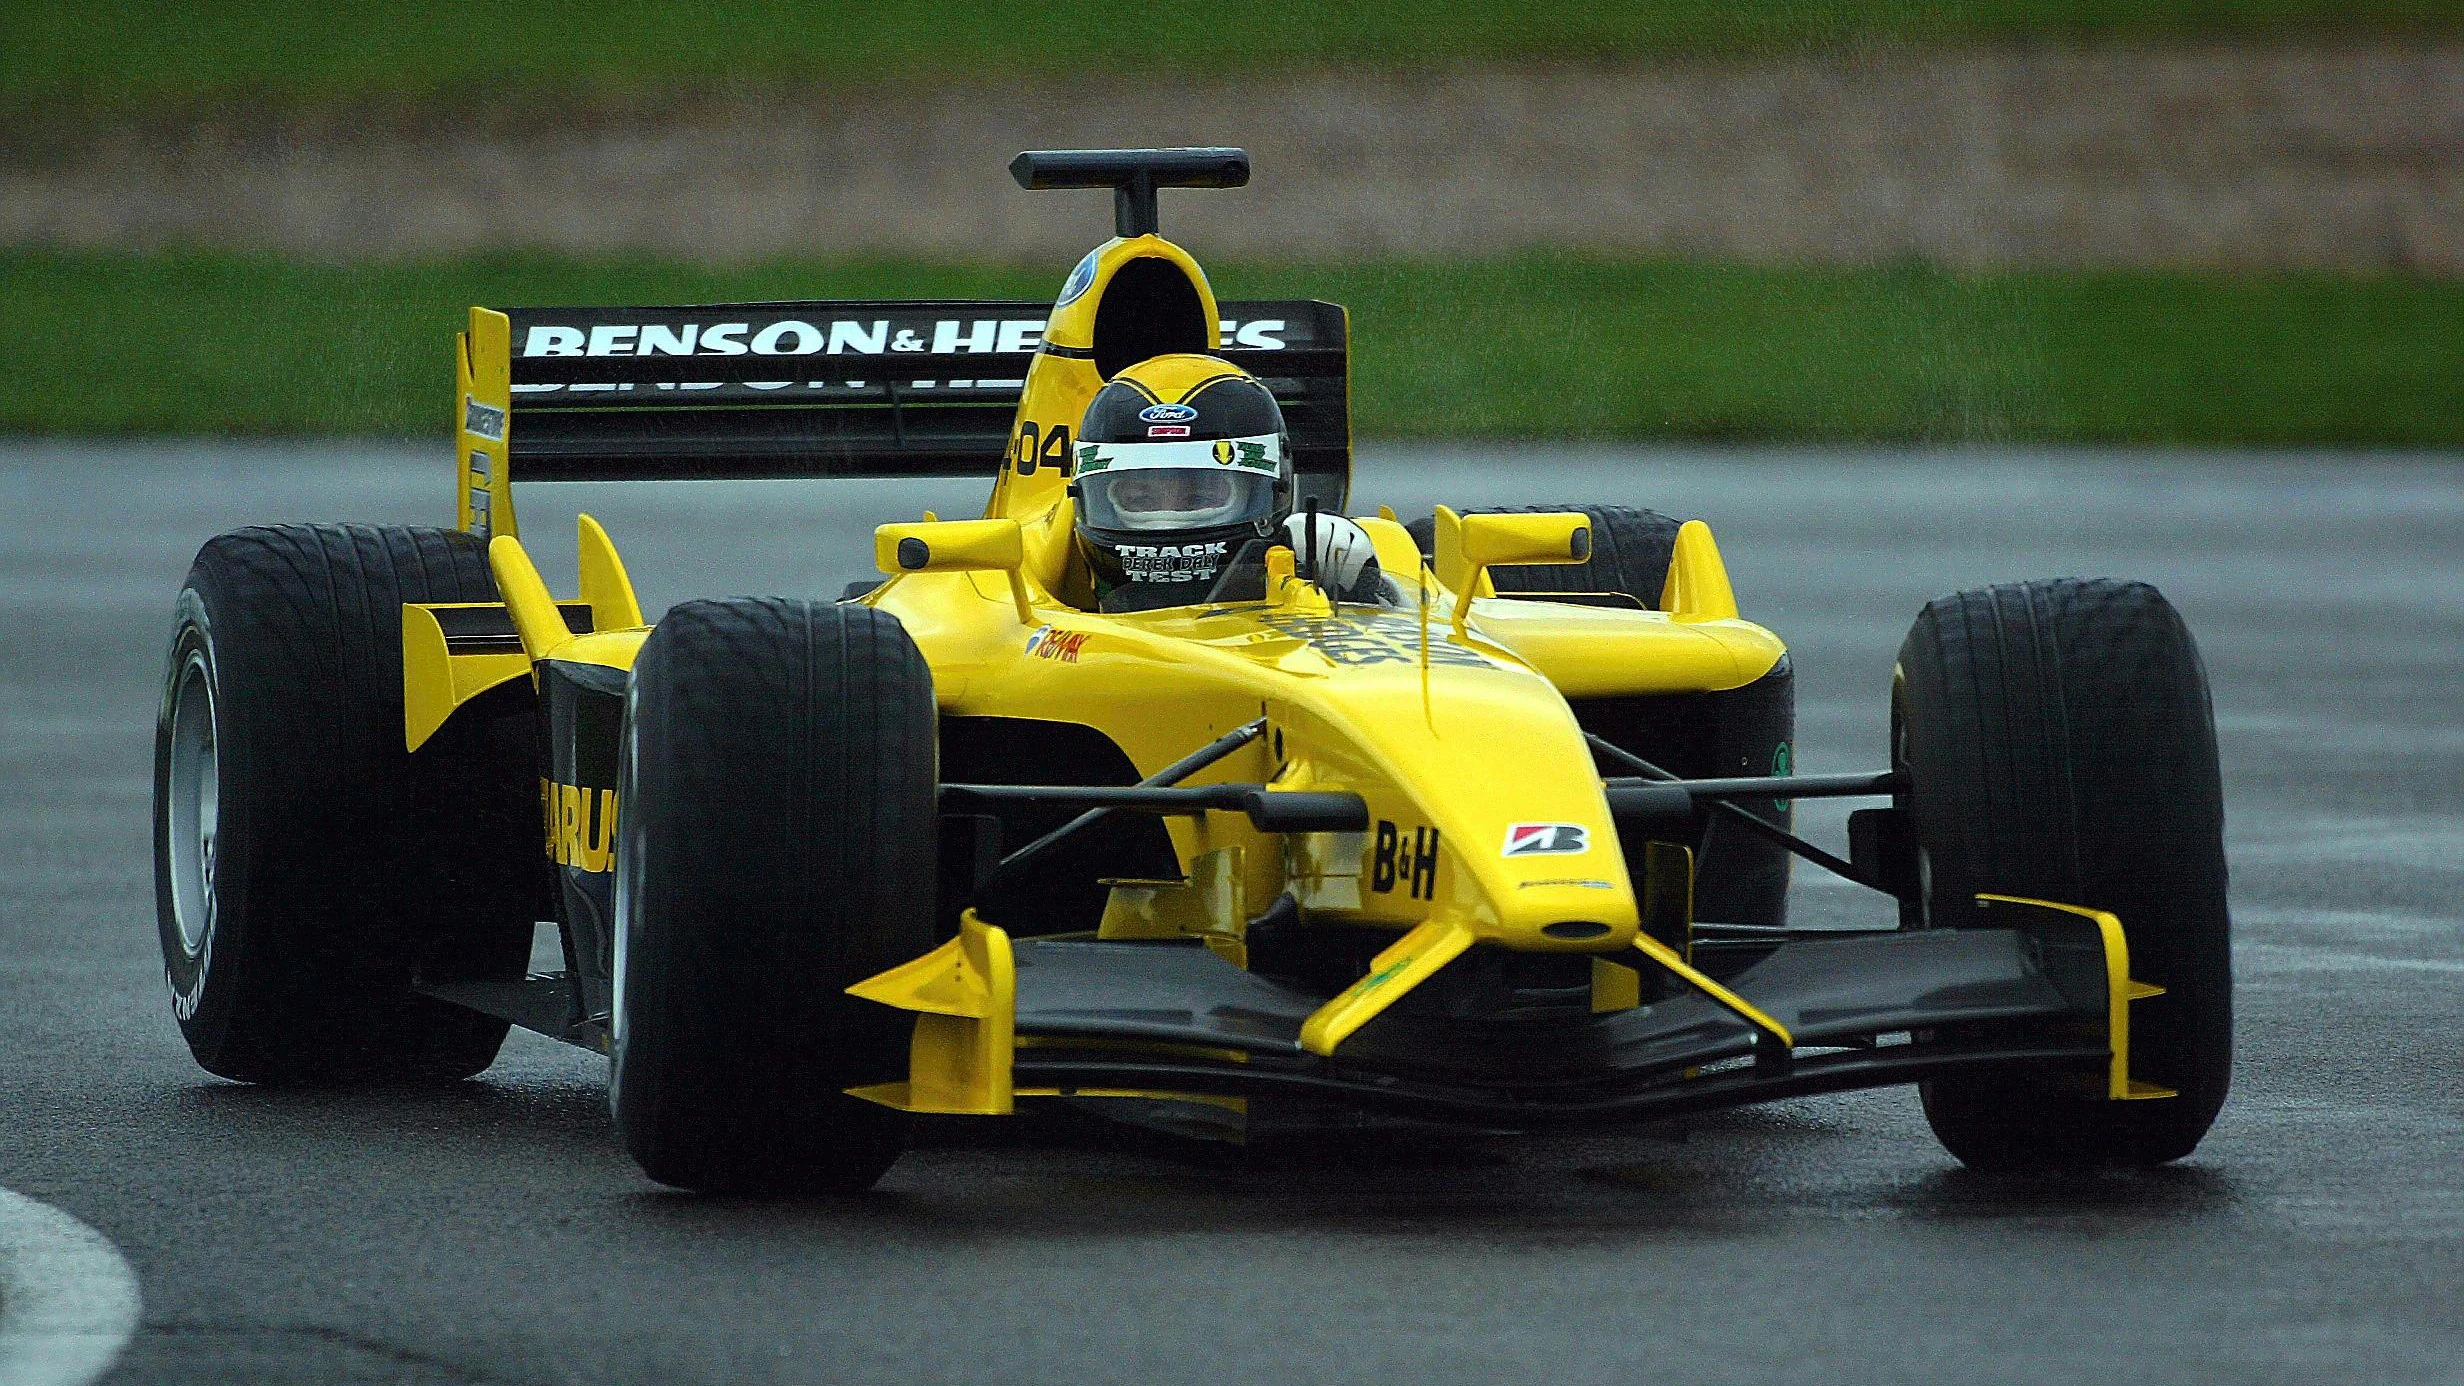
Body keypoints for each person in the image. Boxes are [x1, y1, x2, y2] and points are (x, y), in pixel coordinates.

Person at [1070, 354, 1384, 612]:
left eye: (1199, 497)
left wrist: (1360, 588)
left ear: (1273, 490)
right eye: (1141, 500)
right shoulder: (1045, 564)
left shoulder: (1307, 548)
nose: (1169, 518)